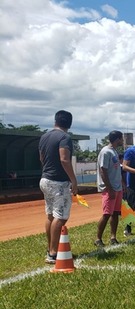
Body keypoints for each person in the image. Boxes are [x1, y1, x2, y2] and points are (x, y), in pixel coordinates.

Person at [38, 110, 79, 264]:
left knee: (50, 215)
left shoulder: (44, 136)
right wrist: (73, 181)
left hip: (45, 180)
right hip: (59, 182)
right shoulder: (65, 137)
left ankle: (50, 248)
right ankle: (53, 253)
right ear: (69, 123)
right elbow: (64, 159)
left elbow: (41, 157)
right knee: (61, 216)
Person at [95, 130, 124, 247]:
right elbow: (103, 170)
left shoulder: (114, 152)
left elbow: (116, 170)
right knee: (107, 214)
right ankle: (98, 239)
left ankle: (113, 237)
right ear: (117, 139)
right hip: (110, 188)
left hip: (117, 187)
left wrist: (122, 184)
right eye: (121, 138)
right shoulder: (106, 152)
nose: (122, 141)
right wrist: (109, 188)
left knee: (116, 213)